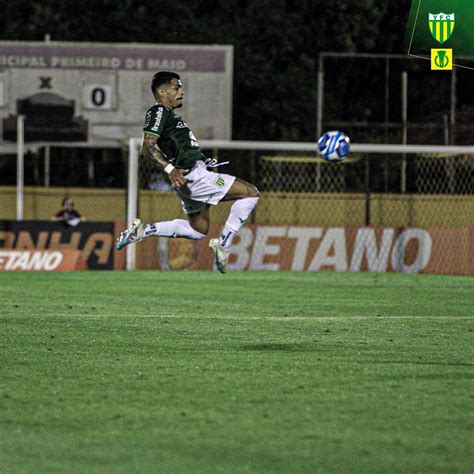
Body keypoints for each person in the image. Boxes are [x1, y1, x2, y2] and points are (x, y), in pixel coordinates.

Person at [116, 71, 259, 273]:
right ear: (162, 92)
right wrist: (170, 168)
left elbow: (176, 148)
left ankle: (143, 230)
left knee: (198, 230)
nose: (181, 92)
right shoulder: (159, 111)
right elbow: (147, 148)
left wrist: (196, 160)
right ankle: (224, 246)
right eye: (177, 88)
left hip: (188, 179)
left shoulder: (170, 116)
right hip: (193, 177)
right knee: (251, 192)